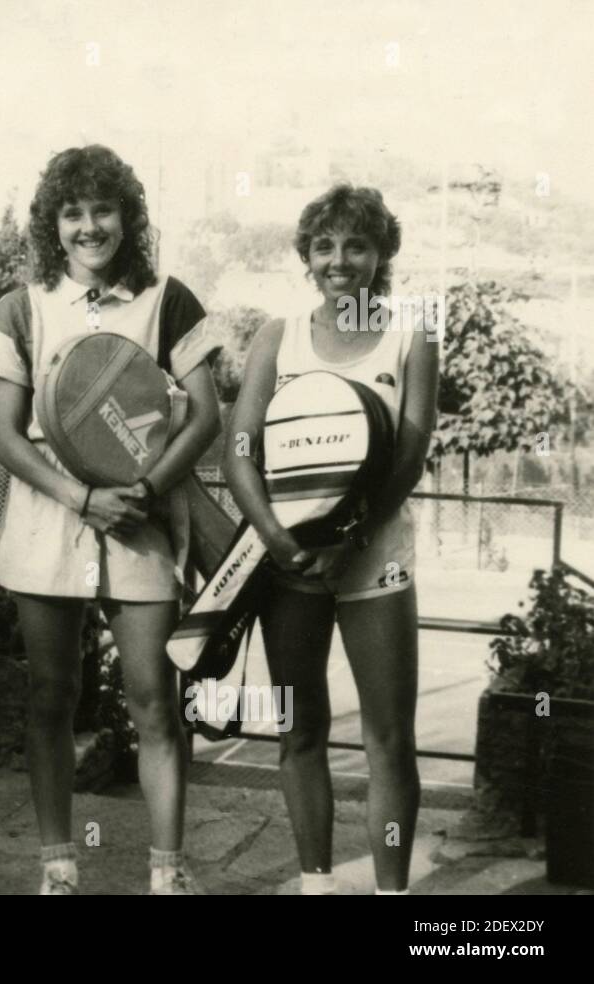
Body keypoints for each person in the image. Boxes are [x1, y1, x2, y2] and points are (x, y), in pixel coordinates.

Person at [0, 145, 222, 894]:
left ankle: (166, 873)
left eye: (104, 209)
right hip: (48, 516)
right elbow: (5, 437)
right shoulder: (20, 306)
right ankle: (59, 866)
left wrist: (142, 491)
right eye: (73, 212)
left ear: (129, 216)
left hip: (142, 516)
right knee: (51, 695)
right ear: (53, 224)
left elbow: (206, 416)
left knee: (154, 699)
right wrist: (83, 498)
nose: (90, 226)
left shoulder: (169, 299)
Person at [223, 184, 438, 894]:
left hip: (373, 564)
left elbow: (405, 462)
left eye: (356, 245)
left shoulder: (412, 340)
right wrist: (276, 539)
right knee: (300, 732)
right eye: (324, 245)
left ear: (381, 254)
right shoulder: (276, 337)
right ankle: (315, 885)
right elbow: (239, 453)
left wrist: (347, 540)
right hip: (287, 567)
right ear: (306, 256)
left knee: (388, 742)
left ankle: (390, 895)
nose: (339, 260)